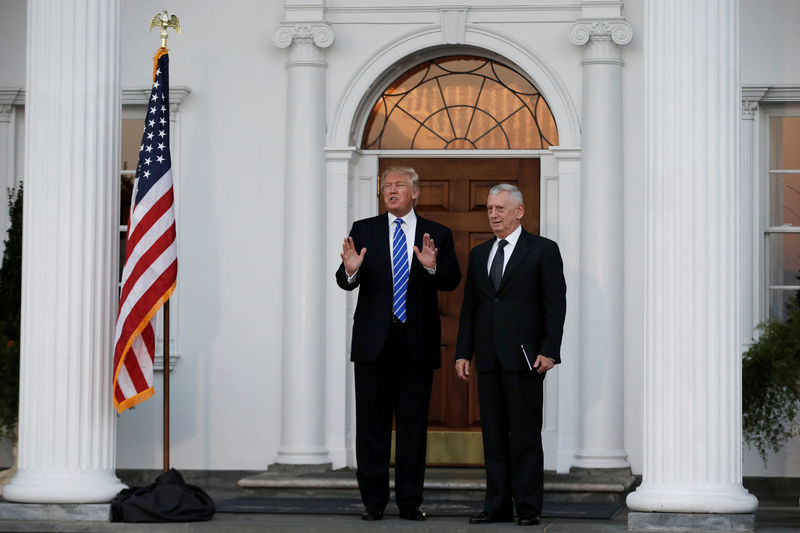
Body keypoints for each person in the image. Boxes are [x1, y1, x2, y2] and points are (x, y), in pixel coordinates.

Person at [336, 166, 461, 521]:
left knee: (412, 427)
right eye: (386, 186)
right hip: (373, 343)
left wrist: (433, 267)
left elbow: (452, 280)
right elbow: (345, 281)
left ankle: (410, 502)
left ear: (415, 192)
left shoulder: (437, 233)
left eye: (399, 186)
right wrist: (350, 270)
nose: (391, 191)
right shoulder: (364, 230)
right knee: (371, 427)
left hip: (415, 343)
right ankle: (373, 501)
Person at [455, 183, 566, 527]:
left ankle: (529, 507)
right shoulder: (479, 253)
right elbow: (470, 308)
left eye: (500, 208)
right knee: (493, 437)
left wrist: (549, 350)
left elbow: (555, 304)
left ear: (519, 211)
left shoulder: (543, 250)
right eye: (490, 208)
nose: (493, 214)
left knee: (525, 435)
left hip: (525, 359)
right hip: (487, 359)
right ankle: (497, 506)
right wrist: (463, 353)